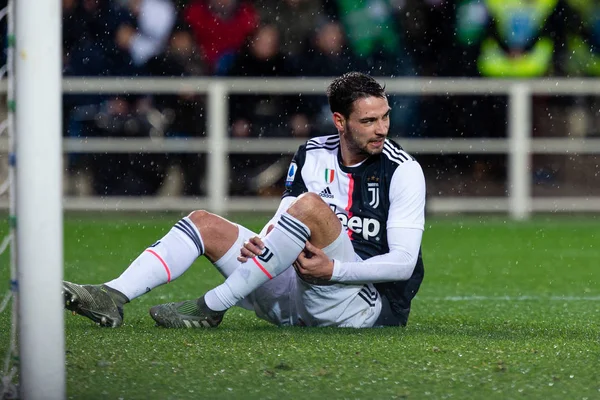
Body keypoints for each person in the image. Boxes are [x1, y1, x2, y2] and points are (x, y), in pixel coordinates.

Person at [62, 72, 426, 329]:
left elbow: (403, 265)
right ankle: (112, 296)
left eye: (385, 117)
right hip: (294, 292)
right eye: (369, 120)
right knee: (203, 222)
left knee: (313, 206)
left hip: (358, 303)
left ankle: (212, 305)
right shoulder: (312, 153)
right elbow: (287, 210)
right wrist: (265, 240)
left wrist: (334, 271)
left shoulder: (404, 171)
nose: (382, 129)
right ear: (339, 121)